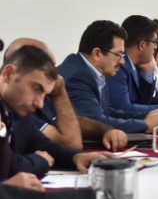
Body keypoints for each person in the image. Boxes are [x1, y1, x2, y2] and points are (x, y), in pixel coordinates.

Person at [0, 46, 109, 177]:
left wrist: (76, 157)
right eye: (36, 89)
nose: (40, 104)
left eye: (44, 94)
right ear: (8, 74)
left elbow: (43, 145)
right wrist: (40, 161)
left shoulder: (18, 111)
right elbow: (6, 165)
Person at [6, 38, 128, 151]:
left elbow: (70, 121)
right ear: (10, 72)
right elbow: (72, 145)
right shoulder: (21, 104)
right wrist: (60, 92)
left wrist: (105, 130)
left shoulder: (39, 94)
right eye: (44, 68)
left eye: (52, 68)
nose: (54, 76)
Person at [58, 20, 158, 134]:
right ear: (97, 53)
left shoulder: (92, 70)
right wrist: (145, 124)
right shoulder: (78, 77)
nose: (122, 61)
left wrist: (149, 115)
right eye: (118, 54)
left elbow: (108, 112)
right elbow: (96, 122)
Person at [106, 15, 158, 118]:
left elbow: (145, 102)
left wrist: (148, 74)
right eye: (155, 42)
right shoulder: (119, 67)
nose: (155, 47)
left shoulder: (137, 64)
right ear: (142, 45)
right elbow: (124, 109)